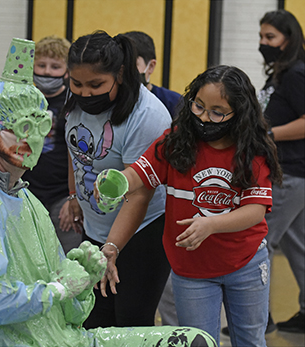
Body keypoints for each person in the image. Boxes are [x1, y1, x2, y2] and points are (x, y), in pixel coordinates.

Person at [0, 37, 216, 347]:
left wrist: (80, 278)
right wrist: (57, 289)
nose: (33, 141)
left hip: (62, 330)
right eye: (22, 128)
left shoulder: (25, 199)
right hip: (10, 341)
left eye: (41, 125)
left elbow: (69, 314)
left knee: (194, 340)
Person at [96, 65, 283, 346]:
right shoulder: (175, 142)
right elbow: (140, 174)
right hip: (190, 270)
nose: (205, 118)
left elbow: (255, 211)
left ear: (239, 114)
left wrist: (211, 224)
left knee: (250, 340)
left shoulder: (251, 151)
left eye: (217, 112)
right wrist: (117, 182)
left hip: (245, 263)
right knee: (199, 341)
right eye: (198, 106)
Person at [62, 30, 172, 328]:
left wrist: (112, 247)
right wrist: (74, 197)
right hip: (96, 229)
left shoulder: (146, 115)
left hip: (142, 232)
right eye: (77, 83)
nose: (85, 93)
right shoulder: (75, 102)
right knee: (93, 319)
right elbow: (76, 152)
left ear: (121, 75)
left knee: (130, 322)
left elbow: (139, 193)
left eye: (96, 84)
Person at [125, 29, 181, 327]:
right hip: (123, 211)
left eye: (130, 63)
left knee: (171, 297)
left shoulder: (172, 104)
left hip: (164, 214)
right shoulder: (109, 103)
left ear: (150, 66)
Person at [257, 9, 305, 333]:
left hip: (290, 173)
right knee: (298, 244)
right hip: (291, 173)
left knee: (260, 241)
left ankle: (259, 317)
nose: (263, 43)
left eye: (270, 37)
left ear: (289, 39)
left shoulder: (296, 75)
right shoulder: (279, 74)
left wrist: (268, 135)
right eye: (261, 37)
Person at [22, 35, 82, 254]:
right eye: (41, 65)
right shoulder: (23, 101)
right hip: (25, 192)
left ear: (66, 71)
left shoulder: (74, 103)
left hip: (62, 195)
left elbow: (79, 156)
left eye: (55, 66)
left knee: (68, 259)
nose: (47, 71)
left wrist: (73, 198)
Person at [124, 30, 181, 118]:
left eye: (132, 64)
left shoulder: (174, 103)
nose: (125, 70)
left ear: (151, 66)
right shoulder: (110, 101)